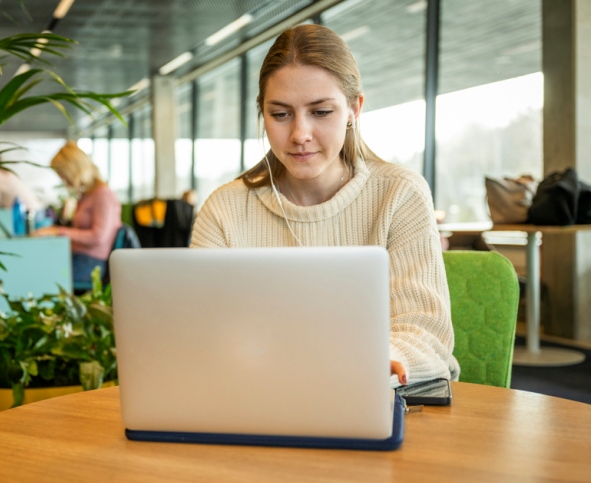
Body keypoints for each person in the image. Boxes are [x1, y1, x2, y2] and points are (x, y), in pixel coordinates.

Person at [189, 24, 459, 387]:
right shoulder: (225, 208)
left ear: (353, 109)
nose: (300, 134)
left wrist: (378, 361)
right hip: (258, 393)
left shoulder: (399, 194)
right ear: (263, 114)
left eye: (320, 112)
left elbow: (425, 331)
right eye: (281, 114)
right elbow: (200, 329)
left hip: (376, 391)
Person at [32, 141, 121, 287]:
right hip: (78, 256)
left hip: (90, 263)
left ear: (73, 170)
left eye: (62, 174)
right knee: (39, 265)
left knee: (42, 276)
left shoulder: (103, 195)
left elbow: (97, 237)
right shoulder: (87, 195)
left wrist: (57, 232)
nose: (63, 180)